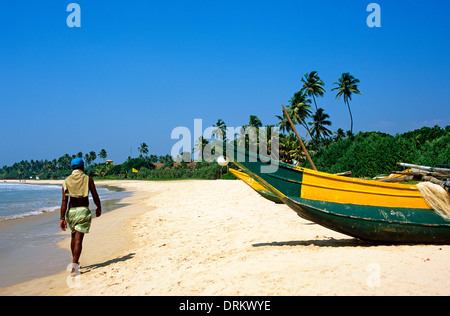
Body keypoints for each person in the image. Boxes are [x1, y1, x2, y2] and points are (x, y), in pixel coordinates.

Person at [60, 158, 102, 276]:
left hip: (71, 212)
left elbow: (64, 201)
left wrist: (62, 218)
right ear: (83, 167)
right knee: (79, 239)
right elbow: (95, 195)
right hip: (83, 211)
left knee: (73, 237)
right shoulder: (88, 179)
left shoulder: (66, 181)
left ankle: (75, 262)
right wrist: (98, 207)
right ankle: (74, 267)